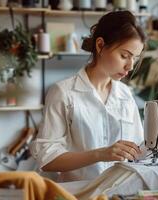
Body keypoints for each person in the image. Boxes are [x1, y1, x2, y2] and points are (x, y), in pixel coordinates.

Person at [31, 10, 146, 182]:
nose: (130, 66)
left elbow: (139, 150)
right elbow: (47, 159)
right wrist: (100, 154)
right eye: (124, 56)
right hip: (80, 194)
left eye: (135, 58)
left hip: (121, 193)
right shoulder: (63, 93)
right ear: (100, 45)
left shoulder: (125, 94)